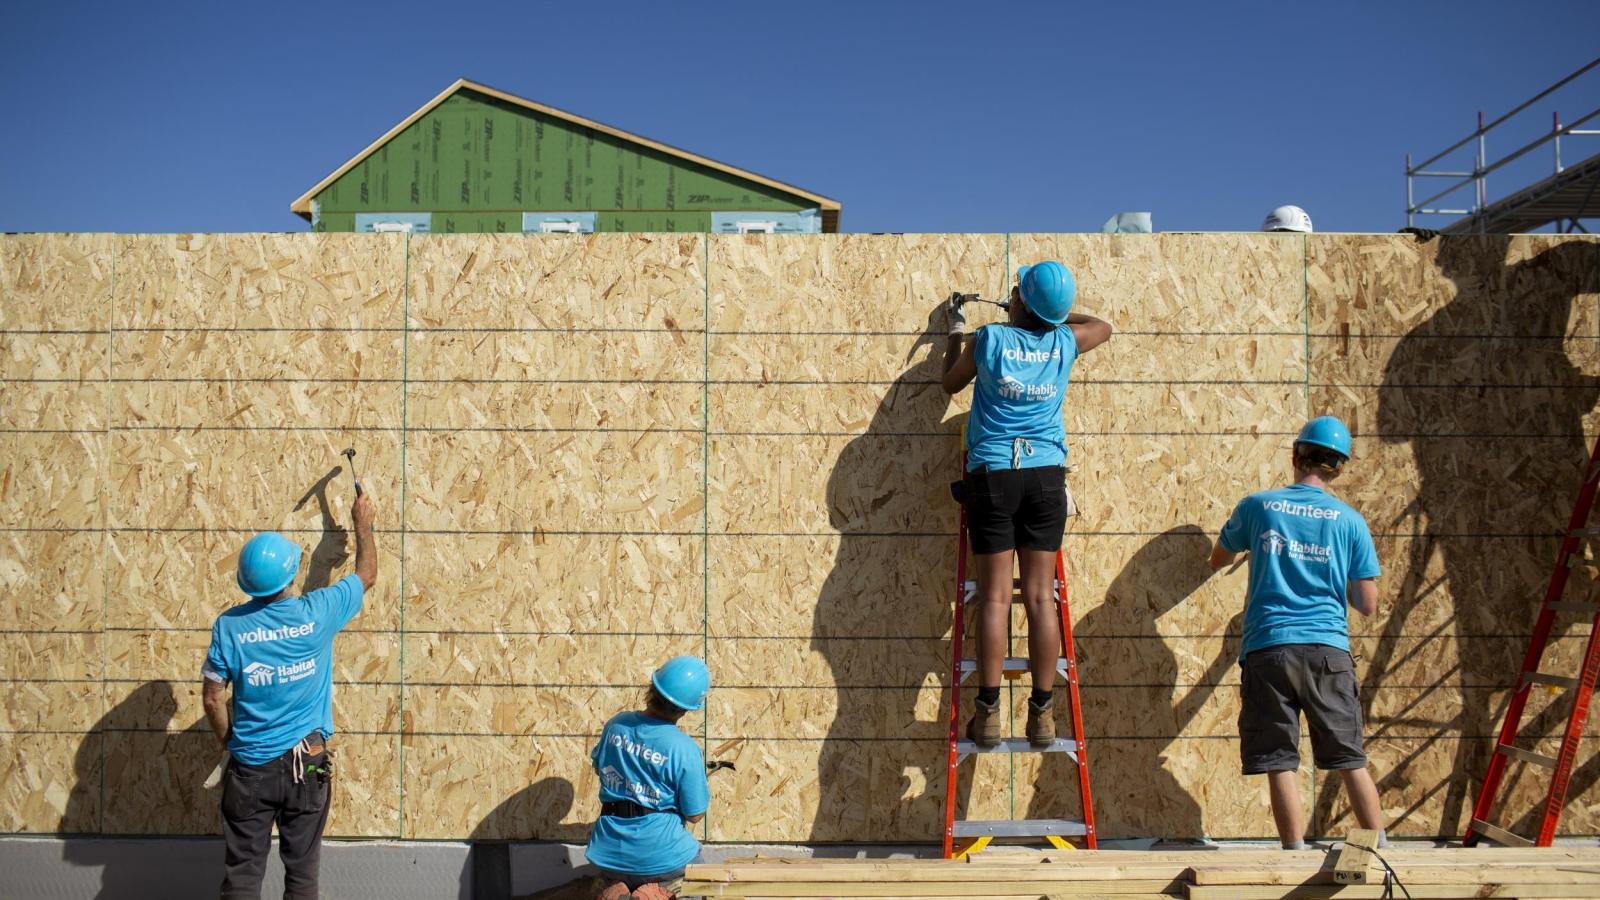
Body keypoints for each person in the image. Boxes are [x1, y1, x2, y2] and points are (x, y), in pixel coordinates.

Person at [941, 261, 1113, 748]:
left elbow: (949, 384)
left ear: (1021, 301)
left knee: (995, 597)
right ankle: (1042, 713)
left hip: (993, 475)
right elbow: (1101, 326)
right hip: (1044, 479)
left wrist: (956, 332)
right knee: (1041, 598)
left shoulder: (989, 340)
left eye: (1017, 292)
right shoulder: (1064, 342)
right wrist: (1048, 314)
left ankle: (989, 713)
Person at [1207, 416, 1387, 848]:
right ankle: (1379, 853)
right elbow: (1366, 604)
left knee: (1279, 760)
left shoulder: (1260, 506)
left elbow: (1218, 558)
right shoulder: (1350, 522)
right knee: (1349, 757)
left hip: (1269, 648)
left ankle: (1294, 855)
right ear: (1338, 467)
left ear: (1295, 455)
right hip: (1328, 652)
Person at [201, 491, 377, 899]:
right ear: (292, 574)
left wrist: (231, 743)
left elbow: (212, 698)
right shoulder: (318, 612)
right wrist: (363, 523)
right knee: (302, 875)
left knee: (242, 877)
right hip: (307, 767)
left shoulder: (229, 627)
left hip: (250, 771)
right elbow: (366, 574)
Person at [588, 656, 712, 900]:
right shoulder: (684, 749)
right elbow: (695, 814)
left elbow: (599, 766)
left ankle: (620, 887)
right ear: (686, 709)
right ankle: (662, 890)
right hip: (663, 857)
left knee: (620, 876)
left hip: (611, 854)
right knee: (704, 883)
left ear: (652, 688)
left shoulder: (616, 726)